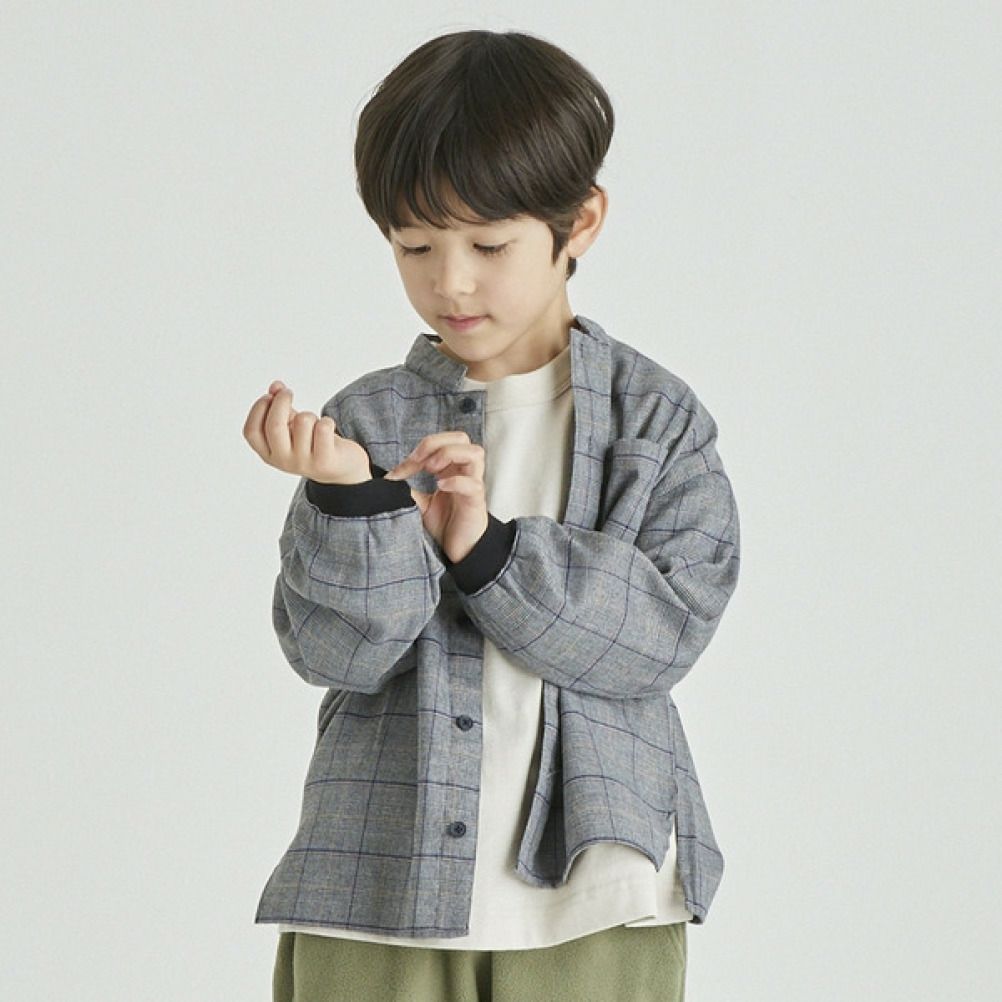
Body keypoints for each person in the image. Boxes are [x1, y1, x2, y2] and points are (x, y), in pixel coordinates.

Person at [242, 28, 741, 1002]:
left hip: (599, 897)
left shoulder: (657, 422)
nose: (451, 281)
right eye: (415, 246)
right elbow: (336, 654)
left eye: (489, 244)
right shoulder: (366, 422)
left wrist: (489, 553)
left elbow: (663, 634)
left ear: (580, 222)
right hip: (377, 886)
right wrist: (354, 498)